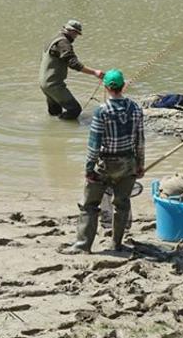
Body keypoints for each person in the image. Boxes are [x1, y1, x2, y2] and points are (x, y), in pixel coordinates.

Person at [62, 69, 145, 253]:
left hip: (105, 165)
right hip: (128, 164)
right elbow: (140, 140)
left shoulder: (102, 111)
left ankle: (83, 245)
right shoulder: (136, 108)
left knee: (89, 205)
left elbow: (94, 144)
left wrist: (89, 169)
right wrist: (140, 165)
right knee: (122, 204)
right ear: (123, 86)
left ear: (106, 87)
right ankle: (116, 244)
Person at [39, 19, 105, 119]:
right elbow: (74, 64)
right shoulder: (63, 43)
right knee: (75, 110)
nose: (76, 37)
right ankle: (63, 128)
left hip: (44, 83)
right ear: (73, 32)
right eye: (76, 34)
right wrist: (95, 72)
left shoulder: (53, 39)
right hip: (54, 85)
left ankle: (54, 131)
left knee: (54, 113)